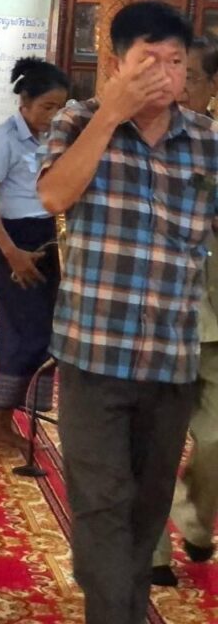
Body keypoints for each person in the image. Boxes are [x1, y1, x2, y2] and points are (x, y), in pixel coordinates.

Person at [37, 1, 218, 624]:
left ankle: (118, 604)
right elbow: (54, 195)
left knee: (145, 509)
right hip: (94, 354)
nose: (164, 74)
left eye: (176, 62)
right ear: (117, 65)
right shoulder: (77, 120)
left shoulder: (207, 141)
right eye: (148, 60)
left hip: (171, 360)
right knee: (102, 503)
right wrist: (110, 114)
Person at [0, 57, 69, 449]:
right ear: (24, 103)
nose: (53, 115)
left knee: (45, 329)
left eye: (60, 107)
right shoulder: (4, 138)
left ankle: (21, 414)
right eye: (46, 106)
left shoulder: (57, 137)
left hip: (46, 239)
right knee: (29, 332)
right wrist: (11, 252)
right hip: (11, 240)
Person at [152, 36, 218, 586]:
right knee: (154, 440)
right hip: (157, 319)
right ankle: (153, 552)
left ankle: (195, 517)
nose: (175, 87)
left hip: (214, 321)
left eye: (188, 76)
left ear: (211, 86)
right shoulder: (140, 143)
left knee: (215, 440)